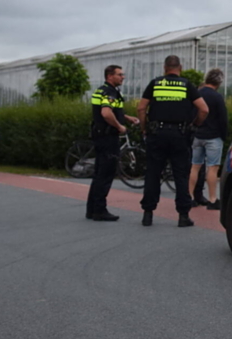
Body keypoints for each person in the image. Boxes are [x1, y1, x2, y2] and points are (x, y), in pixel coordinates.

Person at [137, 56, 208, 227]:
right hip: (180, 135)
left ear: (165, 68)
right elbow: (204, 109)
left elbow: (141, 107)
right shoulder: (187, 85)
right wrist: (194, 125)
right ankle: (183, 215)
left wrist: (144, 128)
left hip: (157, 134)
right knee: (181, 175)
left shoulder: (155, 83)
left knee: (153, 173)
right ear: (180, 68)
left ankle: (148, 214)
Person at [86, 65, 139, 221]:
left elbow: (111, 110)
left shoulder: (101, 90)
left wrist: (126, 118)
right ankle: (100, 210)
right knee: (106, 174)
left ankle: (92, 209)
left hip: (99, 136)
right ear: (110, 76)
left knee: (98, 174)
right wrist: (120, 126)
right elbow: (106, 113)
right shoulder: (110, 92)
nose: (123, 77)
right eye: (119, 74)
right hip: (108, 137)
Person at [189, 68, 229, 210]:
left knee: (195, 166)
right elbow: (223, 119)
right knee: (212, 168)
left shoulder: (197, 94)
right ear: (219, 82)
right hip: (213, 136)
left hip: (198, 135)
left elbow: (191, 114)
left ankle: (190, 197)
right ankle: (212, 199)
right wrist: (224, 136)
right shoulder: (217, 97)